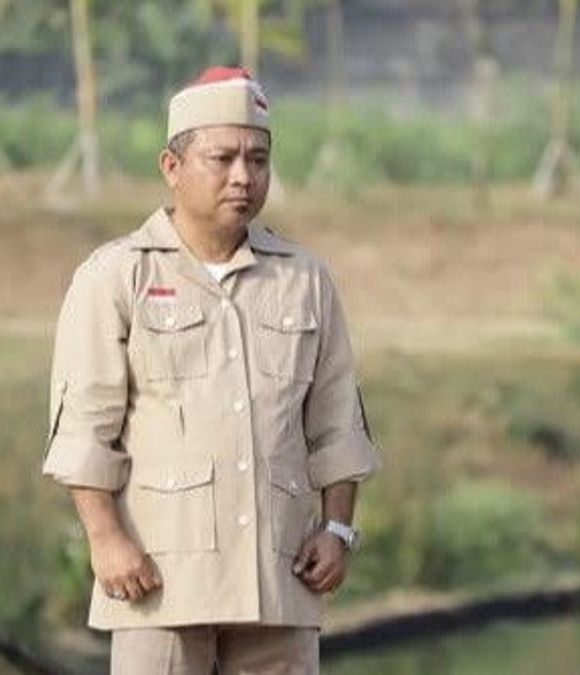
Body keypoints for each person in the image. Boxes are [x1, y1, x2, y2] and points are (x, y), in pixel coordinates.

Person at [42, 66, 380, 674]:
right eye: (222, 158)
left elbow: (337, 425)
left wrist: (338, 530)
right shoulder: (117, 276)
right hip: (160, 584)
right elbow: (84, 431)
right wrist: (105, 539)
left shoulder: (305, 280)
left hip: (279, 581)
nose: (242, 177)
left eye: (258, 159)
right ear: (172, 168)